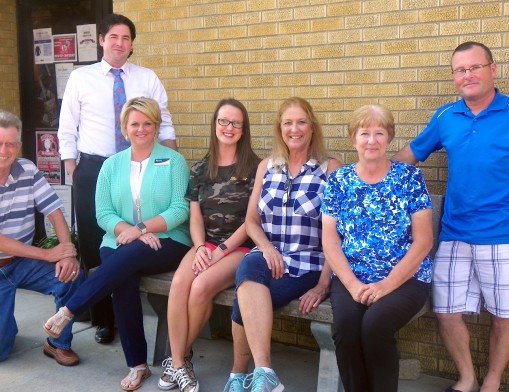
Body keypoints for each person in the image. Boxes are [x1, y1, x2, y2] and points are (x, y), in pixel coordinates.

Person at [44, 97, 191, 391]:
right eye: (135, 123)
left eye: (148, 123)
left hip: (168, 240)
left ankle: (69, 311)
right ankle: (137, 366)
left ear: (156, 126)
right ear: (124, 128)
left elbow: (180, 209)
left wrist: (141, 229)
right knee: (122, 273)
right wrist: (130, 231)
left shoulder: (174, 161)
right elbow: (103, 213)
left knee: (126, 257)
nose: (141, 129)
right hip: (118, 239)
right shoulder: (111, 165)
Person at [393, 41, 509, 392]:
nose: (468, 75)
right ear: (454, 77)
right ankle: (467, 378)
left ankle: (491, 381)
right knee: (445, 313)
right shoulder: (446, 117)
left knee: (504, 318)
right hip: (455, 233)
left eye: (475, 67)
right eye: (460, 70)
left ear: (492, 69)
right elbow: (408, 157)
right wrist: (368, 176)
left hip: (503, 236)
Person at [57, 13, 177, 344]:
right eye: (113, 37)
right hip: (94, 168)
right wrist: (74, 170)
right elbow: (67, 128)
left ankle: (129, 313)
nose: (119, 44)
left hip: (141, 165)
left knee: (131, 236)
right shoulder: (82, 78)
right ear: (101, 40)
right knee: (97, 245)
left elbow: (163, 121)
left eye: (126, 38)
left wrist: (171, 161)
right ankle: (103, 320)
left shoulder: (147, 77)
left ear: (132, 44)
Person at [222, 97, 341, 392]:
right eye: (288, 123)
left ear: (312, 127)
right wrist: (267, 247)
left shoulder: (331, 169)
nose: (294, 129)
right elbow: (251, 221)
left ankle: (238, 375)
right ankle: (265, 372)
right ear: (280, 128)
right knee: (250, 263)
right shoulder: (268, 166)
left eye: (301, 122)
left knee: (243, 301)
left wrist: (323, 284)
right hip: (269, 257)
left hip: (308, 264)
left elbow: (340, 236)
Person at [321, 104, 433, 392]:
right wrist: (352, 284)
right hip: (352, 275)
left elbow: (423, 241)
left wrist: (386, 285)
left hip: (405, 277)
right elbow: (330, 240)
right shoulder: (339, 180)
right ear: (353, 138)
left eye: (379, 133)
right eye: (364, 133)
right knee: (345, 326)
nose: (371, 140)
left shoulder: (409, 178)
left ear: (390, 138)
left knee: (375, 325)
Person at [158, 98, 260, 392]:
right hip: (206, 244)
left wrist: (221, 251)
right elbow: (195, 217)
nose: (228, 127)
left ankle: (176, 361)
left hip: (239, 248)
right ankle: (180, 364)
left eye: (236, 123)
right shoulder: (200, 169)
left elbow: (252, 220)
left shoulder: (255, 168)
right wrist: (201, 247)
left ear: (243, 129)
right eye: (223, 121)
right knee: (179, 284)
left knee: (201, 286)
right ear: (215, 124)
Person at [0, 110, 83, 366]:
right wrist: (48, 254)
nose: (4, 150)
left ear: (19, 146)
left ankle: (57, 343)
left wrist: (67, 253)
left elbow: (54, 211)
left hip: (21, 262)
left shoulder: (27, 169)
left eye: (10, 144)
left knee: (71, 276)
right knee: (2, 351)